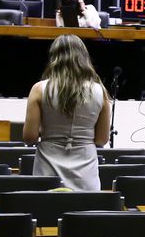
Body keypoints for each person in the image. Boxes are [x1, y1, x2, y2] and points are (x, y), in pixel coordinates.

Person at [22, 34, 111, 190]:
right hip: (85, 171)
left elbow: (29, 137)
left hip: (48, 168)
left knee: (47, 211)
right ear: (84, 58)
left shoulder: (39, 89)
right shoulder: (100, 91)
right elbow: (102, 139)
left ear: (54, 57)